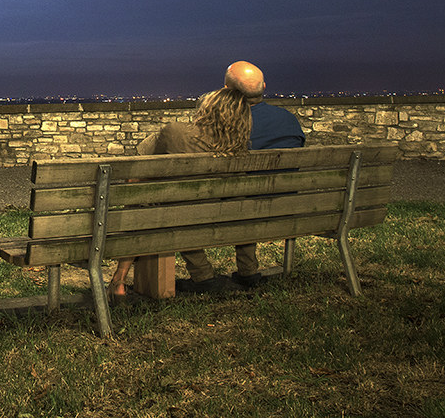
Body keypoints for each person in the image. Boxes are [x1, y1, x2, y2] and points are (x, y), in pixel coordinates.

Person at [107, 61, 305, 299]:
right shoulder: (282, 124)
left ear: (225, 92)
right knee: (227, 198)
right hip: (276, 209)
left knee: (166, 201)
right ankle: (247, 270)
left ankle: (193, 274)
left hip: (209, 210)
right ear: (264, 85)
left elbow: (139, 165)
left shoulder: (190, 134)